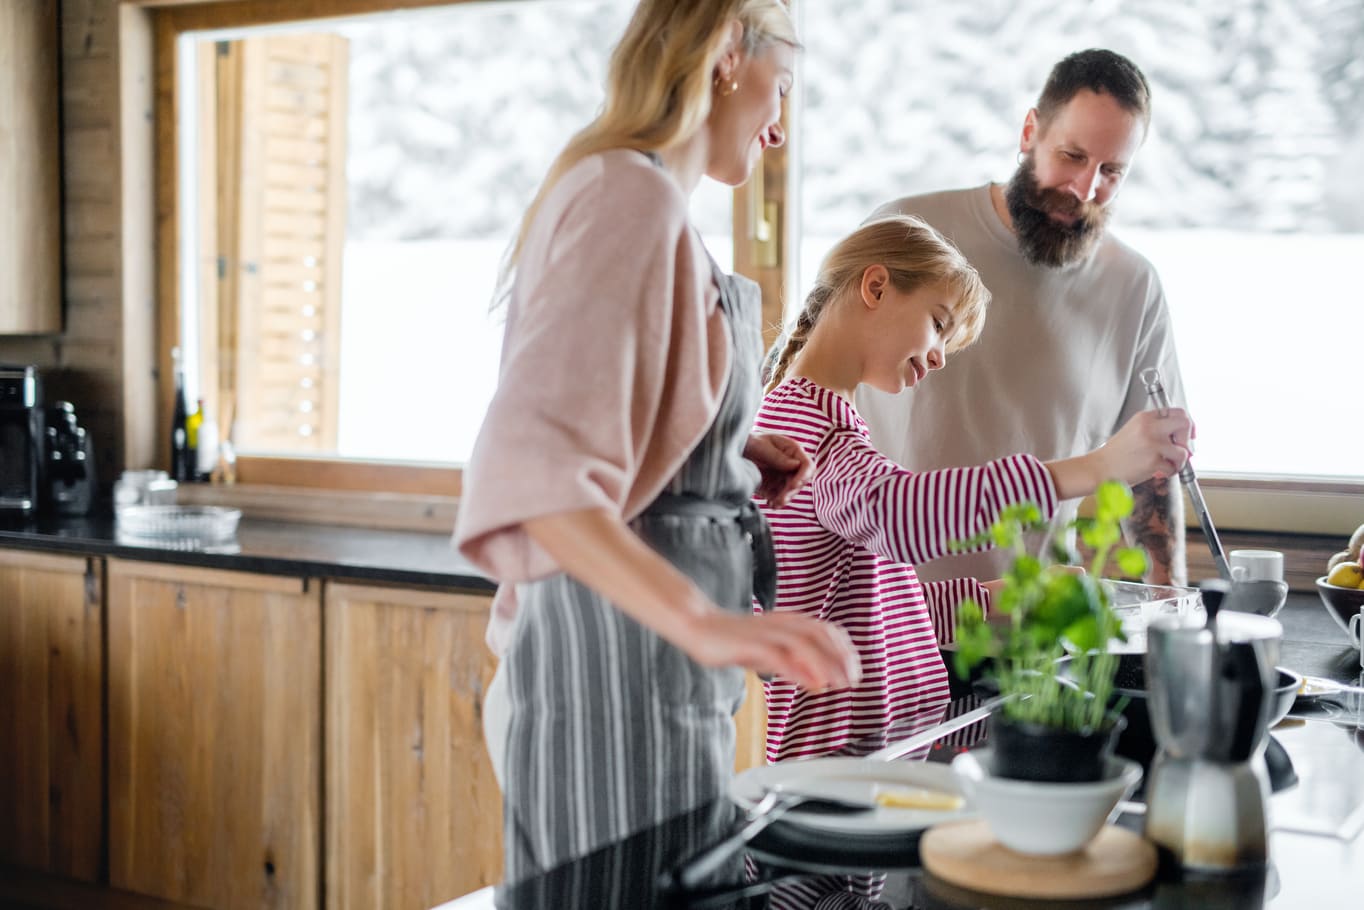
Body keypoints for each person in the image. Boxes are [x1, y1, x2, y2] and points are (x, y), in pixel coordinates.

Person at [453, 0, 860, 879]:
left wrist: (724, 451)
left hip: (645, 682)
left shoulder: (641, 199)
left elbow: (608, 412)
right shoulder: (626, 198)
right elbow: (541, 475)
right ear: (727, 52)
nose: (781, 125)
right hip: (608, 685)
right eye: (784, 86)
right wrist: (708, 624)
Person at [756, 215, 1193, 762]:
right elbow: (896, 514)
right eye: (938, 323)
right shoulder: (812, 429)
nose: (940, 356)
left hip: (869, 759)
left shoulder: (808, 415)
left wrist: (1001, 600)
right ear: (876, 287)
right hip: (838, 774)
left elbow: (866, 604)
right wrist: (1097, 467)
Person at [855, 48, 1191, 589]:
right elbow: (808, 394)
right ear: (1030, 131)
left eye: (1111, 171)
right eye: (1072, 156)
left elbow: (1151, 471)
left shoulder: (1134, 287)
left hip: (1032, 619)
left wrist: (1171, 607)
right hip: (883, 613)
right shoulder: (906, 231)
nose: (1085, 190)